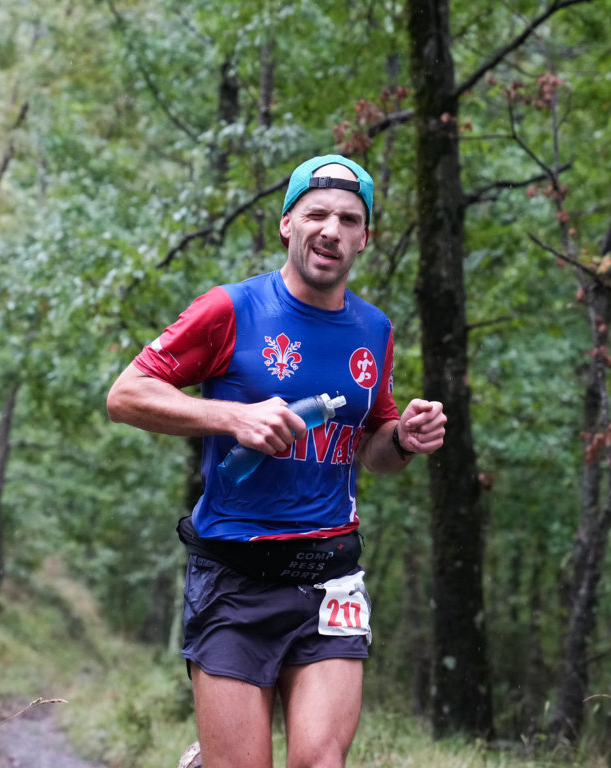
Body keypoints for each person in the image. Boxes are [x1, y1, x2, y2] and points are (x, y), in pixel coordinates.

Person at [106, 154, 447, 768]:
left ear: (365, 238)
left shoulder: (374, 330)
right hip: (235, 573)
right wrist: (233, 417)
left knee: (320, 761)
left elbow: (373, 448)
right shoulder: (230, 310)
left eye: (348, 220)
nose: (331, 230)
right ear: (287, 223)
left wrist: (403, 438)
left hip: (330, 575)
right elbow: (126, 395)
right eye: (316, 214)